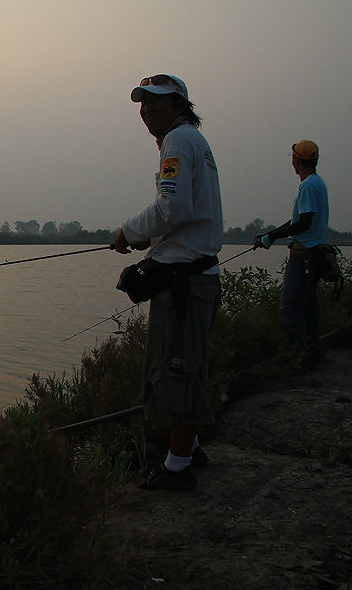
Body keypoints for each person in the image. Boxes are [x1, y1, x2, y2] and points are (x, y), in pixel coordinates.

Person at [115, 74, 223, 491]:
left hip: (185, 282)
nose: (147, 110)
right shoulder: (192, 141)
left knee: (176, 368)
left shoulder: (179, 142)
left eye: (156, 102)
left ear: (180, 105)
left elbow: (172, 207)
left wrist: (129, 231)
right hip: (196, 277)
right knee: (187, 365)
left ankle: (178, 468)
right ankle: (189, 446)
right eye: (143, 103)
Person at [253, 140, 329, 372]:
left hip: (303, 257)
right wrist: (271, 235)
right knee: (309, 308)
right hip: (313, 255)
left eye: (292, 158)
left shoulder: (308, 186)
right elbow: (300, 219)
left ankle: (299, 360)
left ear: (296, 161)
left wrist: (271, 236)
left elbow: (303, 223)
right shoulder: (317, 183)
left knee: (291, 309)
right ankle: (313, 356)